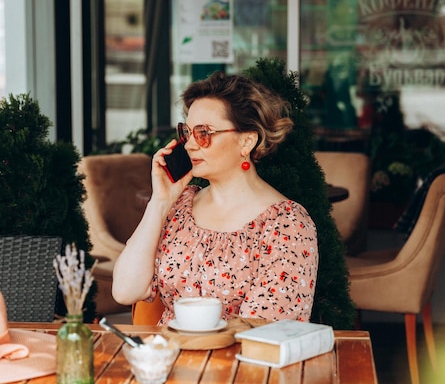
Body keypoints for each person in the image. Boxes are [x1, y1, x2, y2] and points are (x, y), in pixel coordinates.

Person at [112, 71, 318, 325]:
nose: (189, 145)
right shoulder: (180, 205)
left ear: (247, 141)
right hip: (164, 359)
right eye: (187, 133)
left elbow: (263, 334)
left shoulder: (286, 225)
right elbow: (125, 291)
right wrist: (160, 203)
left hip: (235, 363)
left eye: (204, 133)